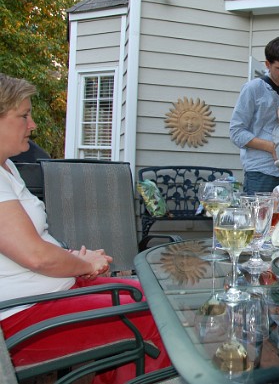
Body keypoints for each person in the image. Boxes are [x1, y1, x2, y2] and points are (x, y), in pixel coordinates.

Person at [0, 74, 170, 383]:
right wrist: (85, 264)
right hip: (24, 317)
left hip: (51, 292)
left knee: (154, 295)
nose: (32, 124)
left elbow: (28, 244)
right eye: (24, 115)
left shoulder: (7, 167)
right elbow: (36, 257)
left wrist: (73, 260)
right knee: (159, 316)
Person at [229, 37, 279, 194]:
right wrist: (272, 147)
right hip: (261, 172)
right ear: (267, 64)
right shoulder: (252, 89)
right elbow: (236, 132)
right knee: (260, 212)